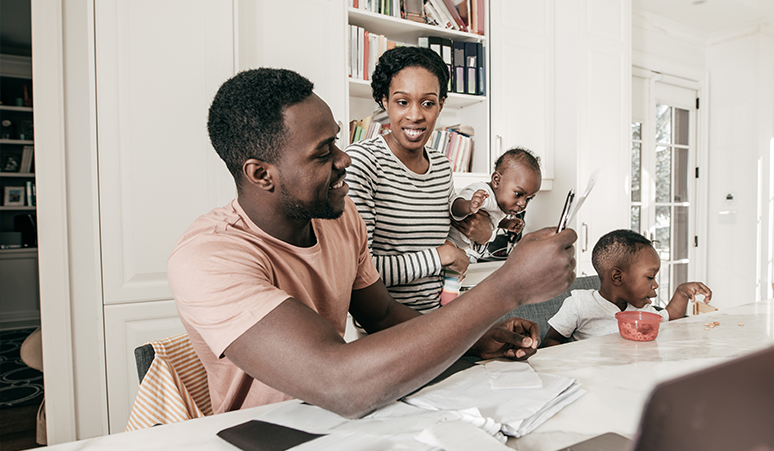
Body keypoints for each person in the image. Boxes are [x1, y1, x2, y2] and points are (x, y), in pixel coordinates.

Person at [167, 68, 577, 419]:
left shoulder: (341, 220)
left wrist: (477, 337)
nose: (343, 159)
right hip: (264, 439)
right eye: (323, 152)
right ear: (261, 174)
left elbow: (381, 315)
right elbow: (338, 383)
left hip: (346, 426)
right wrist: (509, 286)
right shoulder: (207, 258)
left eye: (337, 142)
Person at [345, 46, 492, 312]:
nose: (415, 115)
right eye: (402, 102)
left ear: (441, 104)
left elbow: (457, 249)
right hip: (384, 330)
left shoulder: (442, 167)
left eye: (428, 103)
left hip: (440, 321)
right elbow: (358, 271)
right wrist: (440, 256)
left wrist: (482, 238)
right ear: (383, 100)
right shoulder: (361, 162)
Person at [542, 229, 712, 347]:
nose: (655, 284)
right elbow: (550, 341)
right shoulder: (579, 304)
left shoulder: (643, 310)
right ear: (617, 277)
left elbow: (671, 318)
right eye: (650, 277)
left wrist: (681, 293)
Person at [447, 147, 542, 260]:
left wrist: (506, 224)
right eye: (518, 194)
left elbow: (493, 219)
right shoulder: (483, 193)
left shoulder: (499, 205)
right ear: (497, 180)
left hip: (460, 251)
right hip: (448, 244)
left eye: (528, 199)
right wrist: (468, 206)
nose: (522, 203)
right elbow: (454, 206)